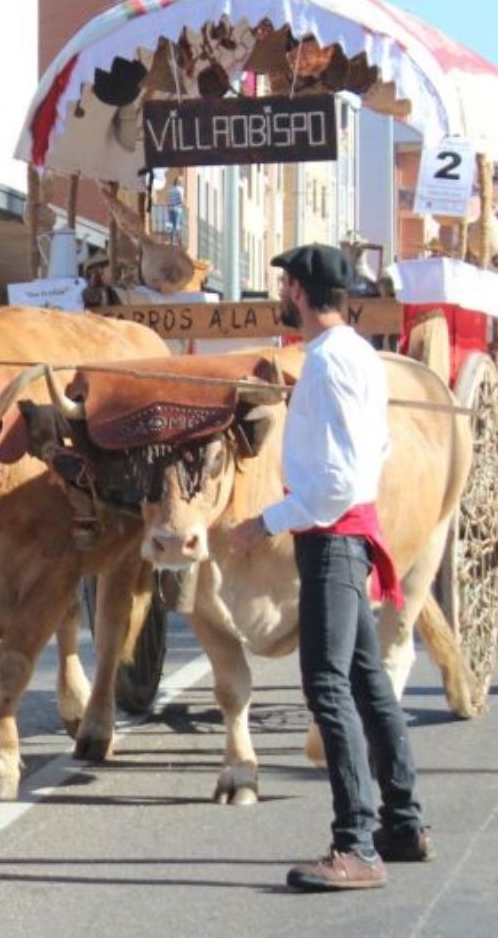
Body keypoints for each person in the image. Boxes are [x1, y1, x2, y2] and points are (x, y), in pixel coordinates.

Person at [227, 244, 430, 891]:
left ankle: (356, 846)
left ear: (301, 293)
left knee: (327, 688)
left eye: (286, 284)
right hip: (342, 535)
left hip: (332, 537)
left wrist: (269, 520)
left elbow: (340, 480)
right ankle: (402, 824)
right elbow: (378, 444)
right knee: (367, 683)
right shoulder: (351, 356)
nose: (282, 294)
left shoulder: (332, 363)